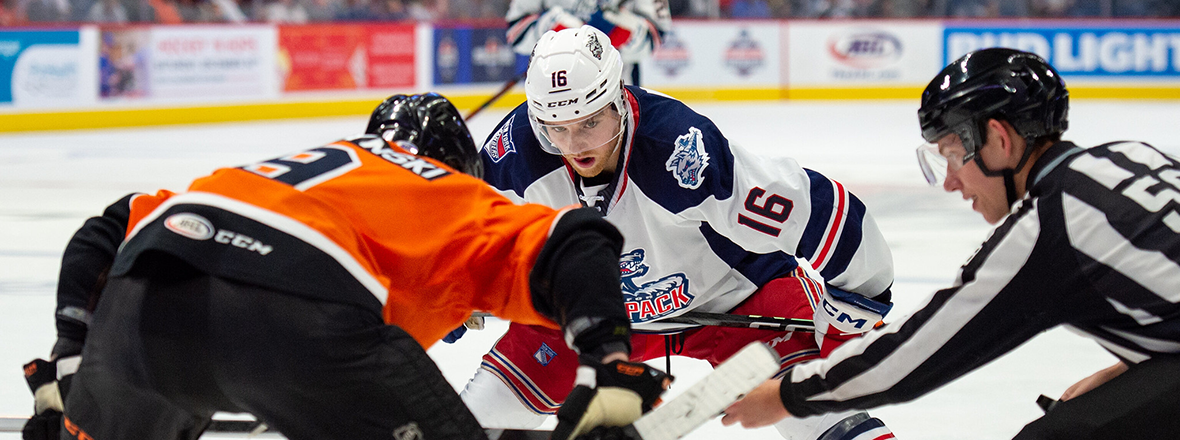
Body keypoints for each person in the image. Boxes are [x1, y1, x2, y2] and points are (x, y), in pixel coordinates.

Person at [21, 93, 670, 440]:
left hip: (143, 301)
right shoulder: (450, 192)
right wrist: (608, 361)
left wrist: (71, 358)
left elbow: (108, 227)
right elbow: (580, 237)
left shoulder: (284, 169)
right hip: (295, 323)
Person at [462, 26, 898, 440]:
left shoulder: (680, 151)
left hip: (733, 301)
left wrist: (853, 307)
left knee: (821, 420)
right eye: (557, 130)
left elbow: (818, 211)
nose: (575, 147)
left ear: (618, 99)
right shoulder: (514, 156)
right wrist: (458, 295)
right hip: (591, 318)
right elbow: (461, 242)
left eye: (590, 124)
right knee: (464, 425)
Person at [721, 47, 1180, 439]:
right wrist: (1131, 369)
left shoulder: (1046, 226)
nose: (951, 183)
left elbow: (919, 352)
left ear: (999, 140)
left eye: (952, 155)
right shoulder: (1134, 156)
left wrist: (789, 396)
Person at [505, 0, 669, 85]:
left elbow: (657, 34)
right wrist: (550, 27)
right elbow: (516, 32)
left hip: (620, 85)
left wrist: (632, 33)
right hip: (553, 85)